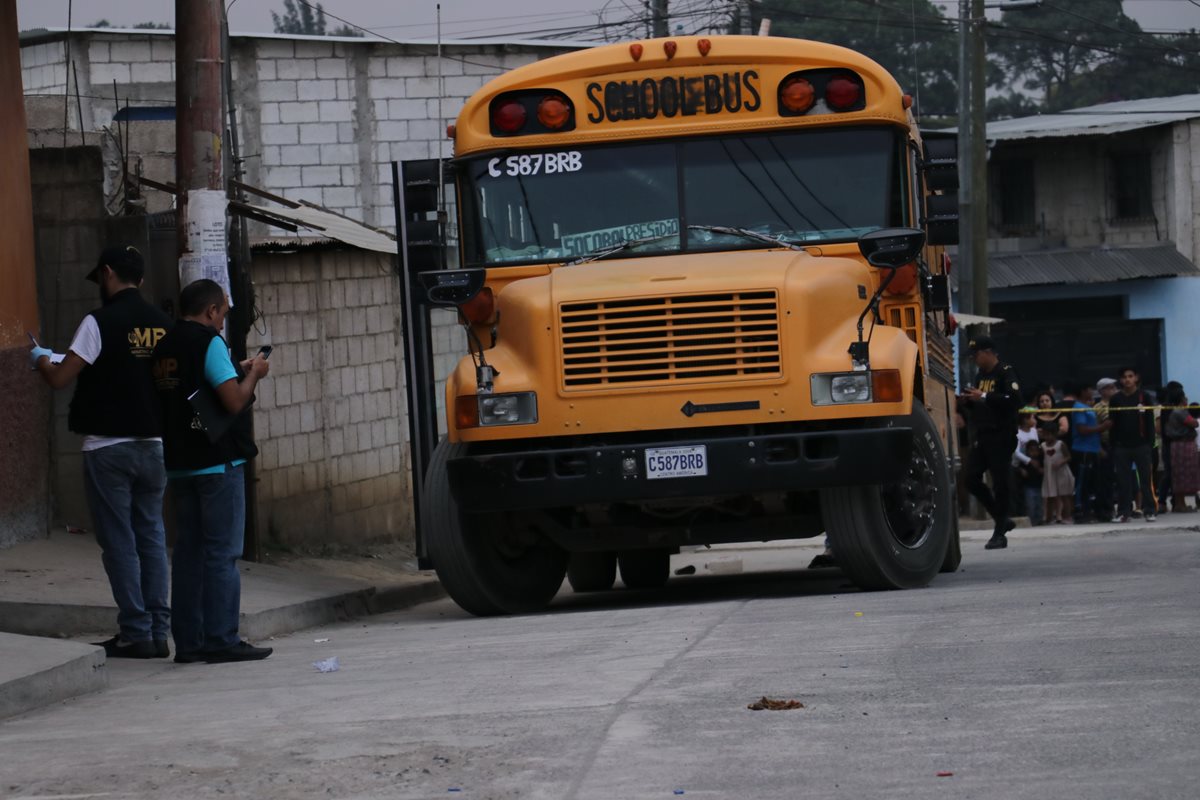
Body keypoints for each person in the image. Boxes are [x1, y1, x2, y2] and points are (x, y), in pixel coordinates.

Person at [29, 245, 173, 658]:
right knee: (152, 536)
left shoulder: (99, 322)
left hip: (108, 449)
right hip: (153, 446)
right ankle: (158, 631)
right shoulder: (162, 324)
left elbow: (60, 378)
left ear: (108, 274)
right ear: (142, 280)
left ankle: (135, 632)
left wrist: (39, 359)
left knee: (120, 542)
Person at [153, 279, 273, 663]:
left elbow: (191, 385)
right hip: (216, 462)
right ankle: (222, 638)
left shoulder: (165, 345)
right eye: (222, 312)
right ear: (210, 311)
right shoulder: (209, 342)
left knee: (188, 553)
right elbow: (234, 400)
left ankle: (189, 643)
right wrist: (255, 374)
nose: (223, 320)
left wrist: (233, 368)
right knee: (222, 553)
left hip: (180, 464)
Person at [961, 336, 1023, 549]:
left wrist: (985, 396)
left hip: (1002, 435)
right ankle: (1001, 519)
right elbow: (982, 405)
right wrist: (969, 403)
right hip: (984, 435)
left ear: (988, 352)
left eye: (976, 355)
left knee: (1001, 483)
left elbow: (1014, 401)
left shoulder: (1005, 371)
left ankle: (999, 533)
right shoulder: (981, 376)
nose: (975, 360)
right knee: (970, 478)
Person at [1108, 366, 1158, 523]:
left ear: (1136, 378)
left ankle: (1149, 511)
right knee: (1123, 481)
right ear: (1120, 380)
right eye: (1124, 377)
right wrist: (1114, 445)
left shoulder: (1144, 397)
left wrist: (1149, 444)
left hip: (1141, 445)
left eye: (1130, 376)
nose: (1127, 379)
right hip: (1121, 446)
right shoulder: (1115, 399)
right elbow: (1112, 423)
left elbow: (1150, 422)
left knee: (1145, 479)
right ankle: (1124, 512)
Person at [1064, 382, 1102, 522]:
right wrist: (1102, 427)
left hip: (1092, 448)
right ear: (1083, 391)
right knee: (1082, 481)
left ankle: (1091, 510)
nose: (1092, 391)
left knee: (1091, 482)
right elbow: (1082, 429)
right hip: (1082, 449)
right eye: (1089, 389)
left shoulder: (1088, 407)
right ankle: (1080, 511)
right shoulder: (1079, 408)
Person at [1163, 384, 1199, 512]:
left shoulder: (1173, 411)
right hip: (1183, 446)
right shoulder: (1180, 411)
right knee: (1183, 475)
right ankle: (1180, 504)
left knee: (1179, 474)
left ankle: (1181, 503)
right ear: (1181, 398)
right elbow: (1193, 423)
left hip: (1178, 445)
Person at [1092, 377, 1119, 521]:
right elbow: (1094, 430)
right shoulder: (1097, 408)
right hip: (1105, 446)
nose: (1113, 390)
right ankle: (1107, 510)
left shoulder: (1120, 404)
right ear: (1102, 391)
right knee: (1106, 480)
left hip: (1120, 445)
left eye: (1114, 387)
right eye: (1110, 388)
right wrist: (1098, 448)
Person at [1040, 423, 1074, 524]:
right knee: (1050, 496)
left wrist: (1060, 462)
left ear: (1054, 434)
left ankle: (1067, 517)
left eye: (1048, 435)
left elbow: (1068, 456)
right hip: (1050, 474)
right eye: (1044, 435)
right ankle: (1049, 518)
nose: (1046, 437)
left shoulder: (1060, 444)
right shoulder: (1042, 446)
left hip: (1061, 473)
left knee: (1064, 495)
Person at [1016, 439, 1044, 525]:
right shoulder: (1025, 461)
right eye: (1031, 451)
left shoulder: (1040, 460)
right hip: (1028, 486)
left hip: (1039, 486)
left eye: (1036, 451)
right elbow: (1018, 467)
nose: (1034, 453)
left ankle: (1039, 520)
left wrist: (1042, 470)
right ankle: (1032, 521)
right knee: (1030, 505)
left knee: (1039, 505)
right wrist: (1022, 471)